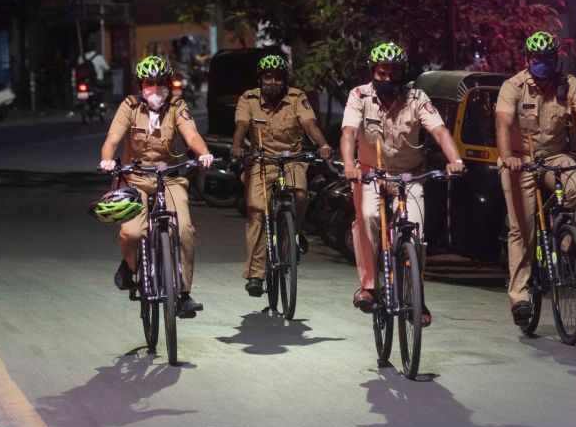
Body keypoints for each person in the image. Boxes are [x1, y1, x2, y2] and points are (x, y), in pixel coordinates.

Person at [495, 30, 576, 325]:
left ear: (556, 59)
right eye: (538, 59)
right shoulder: (513, 86)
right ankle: (520, 296)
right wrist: (508, 157)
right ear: (528, 59)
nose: (543, 64)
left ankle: (562, 245)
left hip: (554, 156)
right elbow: (502, 124)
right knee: (522, 229)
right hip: (519, 159)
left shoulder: (569, 85)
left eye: (548, 58)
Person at [339, 42, 464, 327]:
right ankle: (369, 286)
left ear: (402, 74)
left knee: (416, 236)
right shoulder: (359, 95)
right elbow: (348, 133)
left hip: (409, 176)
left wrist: (454, 159)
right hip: (370, 174)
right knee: (368, 217)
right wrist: (349, 165)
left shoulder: (417, 97)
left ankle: (415, 296)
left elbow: (440, 131)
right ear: (374, 72)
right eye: (382, 73)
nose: (387, 79)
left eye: (394, 73)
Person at [98, 55, 213, 317]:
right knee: (131, 233)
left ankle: (183, 294)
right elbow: (112, 139)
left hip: (169, 177)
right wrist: (107, 160)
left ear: (169, 84)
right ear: (140, 86)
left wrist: (203, 153)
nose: (156, 88)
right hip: (134, 178)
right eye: (149, 83)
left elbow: (192, 135)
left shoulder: (177, 106)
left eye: (161, 82)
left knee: (183, 230)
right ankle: (130, 265)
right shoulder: (129, 106)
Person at [229, 53, 333, 297]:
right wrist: (237, 146)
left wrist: (323, 145)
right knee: (256, 211)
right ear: (260, 79)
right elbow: (241, 127)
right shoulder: (249, 98)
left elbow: (310, 126)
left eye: (278, 77)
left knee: (300, 194)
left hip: (292, 159)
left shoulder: (297, 98)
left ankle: (293, 236)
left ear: (285, 80)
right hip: (261, 161)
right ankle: (256, 274)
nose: (273, 82)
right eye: (268, 77)